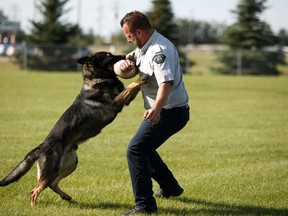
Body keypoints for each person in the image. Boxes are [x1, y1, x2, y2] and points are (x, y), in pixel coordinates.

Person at [118, 11, 190, 215]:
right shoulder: (144, 46)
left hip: (170, 112)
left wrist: (156, 109)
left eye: (129, 36)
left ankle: (145, 206)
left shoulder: (159, 50)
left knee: (135, 150)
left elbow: (165, 83)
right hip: (166, 110)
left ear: (139, 32)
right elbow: (131, 60)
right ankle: (170, 186)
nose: (128, 39)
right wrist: (125, 63)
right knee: (144, 147)